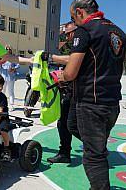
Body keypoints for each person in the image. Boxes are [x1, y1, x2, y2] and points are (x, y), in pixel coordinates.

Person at [45, 0, 126, 189]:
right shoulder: (118, 32)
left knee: (93, 157)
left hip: (91, 102)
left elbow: (71, 72)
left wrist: (60, 76)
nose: (74, 22)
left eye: (73, 17)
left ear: (80, 12)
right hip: (112, 102)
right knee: (72, 124)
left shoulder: (85, 31)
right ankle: (97, 146)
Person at [47, 22, 77, 164]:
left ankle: (98, 148)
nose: (68, 37)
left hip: (84, 93)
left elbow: (74, 60)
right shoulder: (74, 45)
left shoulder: (85, 42)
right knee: (63, 122)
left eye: (69, 33)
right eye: (65, 34)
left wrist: (51, 57)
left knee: (76, 125)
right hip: (71, 90)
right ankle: (64, 152)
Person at [0, 46, 19, 111]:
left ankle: (11, 105)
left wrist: (13, 68)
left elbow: (18, 65)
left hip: (11, 77)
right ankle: (1, 104)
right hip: (3, 77)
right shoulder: (2, 57)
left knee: (11, 92)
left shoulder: (13, 57)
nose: (8, 50)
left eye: (9, 49)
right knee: (2, 91)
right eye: (6, 49)